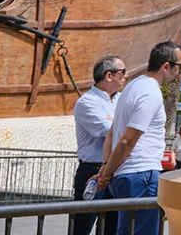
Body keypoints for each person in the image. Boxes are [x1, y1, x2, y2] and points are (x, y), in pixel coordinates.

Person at [94, 41, 181, 235]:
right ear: (166, 66)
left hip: (127, 174)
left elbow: (113, 133)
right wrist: (107, 173)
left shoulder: (132, 86)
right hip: (141, 173)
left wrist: (106, 167)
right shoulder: (150, 93)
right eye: (180, 66)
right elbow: (128, 140)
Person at [71, 54, 125, 235]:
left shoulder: (121, 100)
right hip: (92, 170)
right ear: (109, 76)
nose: (126, 77)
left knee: (112, 227)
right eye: (122, 72)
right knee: (82, 226)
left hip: (115, 170)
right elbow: (111, 131)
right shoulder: (87, 103)